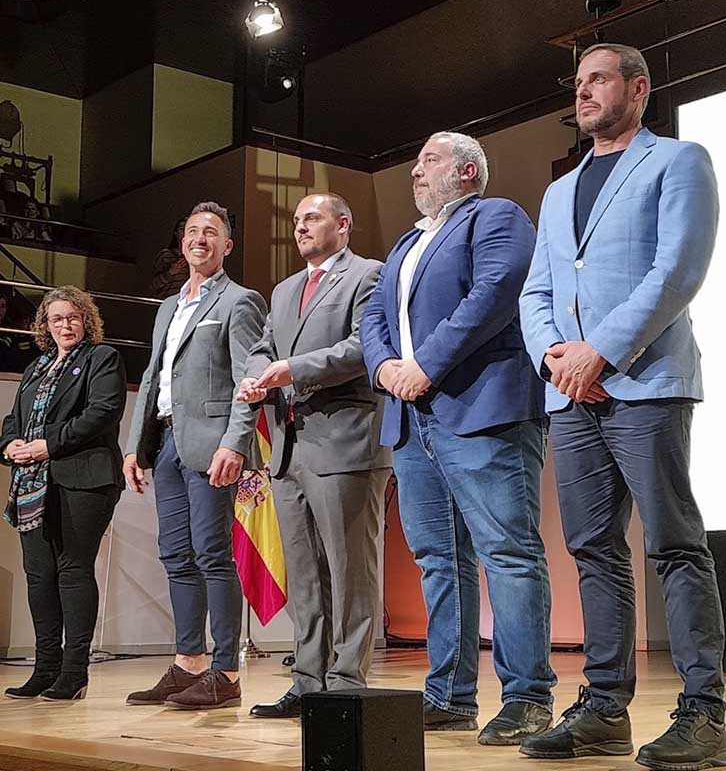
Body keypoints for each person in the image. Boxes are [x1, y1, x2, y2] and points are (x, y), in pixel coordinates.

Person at [518, 43, 726, 770]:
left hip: (645, 382)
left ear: (638, 89)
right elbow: (536, 292)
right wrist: (558, 357)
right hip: (571, 392)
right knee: (592, 549)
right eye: (577, 84)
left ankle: (704, 717)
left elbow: (679, 269)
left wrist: (600, 352)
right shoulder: (556, 192)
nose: (582, 93)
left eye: (597, 79)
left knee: (673, 545)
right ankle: (605, 711)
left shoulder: (678, 161)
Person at [361, 132, 555, 745]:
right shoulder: (405, 243)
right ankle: (449, 694)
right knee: (438, 559)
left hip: (481, 408)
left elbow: (497, 291)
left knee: (508, 551)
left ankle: (527, 697)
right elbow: (373, 315)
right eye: (415, 161)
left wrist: (427, 363)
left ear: (468, 172)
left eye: (430, 160)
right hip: (413, 418)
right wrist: (384, 366)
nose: (415, 170)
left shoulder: (497, 216)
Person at [236, 193, 390, 718]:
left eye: (313, 218)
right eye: (297, 220)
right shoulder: (283, 290)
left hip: (344, 440)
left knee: (350, 571)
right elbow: (263, 345)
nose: (301, 227)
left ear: (343, 224)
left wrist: (292, 369)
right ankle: (307, 681)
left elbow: (363, 346)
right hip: (289, 447)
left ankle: (346, 682)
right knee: (304, 573)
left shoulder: (369, 274)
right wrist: (256, 375)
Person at [122, 201, 267, 710]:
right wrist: (135, 446)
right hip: (164, 444)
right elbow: (155, 381)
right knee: (176, 556)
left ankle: (226, 672)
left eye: (211, 232)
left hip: (210, 447)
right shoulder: (167, 308)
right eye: (191, 231)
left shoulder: (240, 301)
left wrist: (236, 442)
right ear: (181, 243)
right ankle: (189, 665)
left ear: (227, 245)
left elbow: (250, 382)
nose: (199, 238)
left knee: (211, 554)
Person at [1, 287, 126, 701]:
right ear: (45, 326)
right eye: (56, 319)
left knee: (73, 570)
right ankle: (45, 668)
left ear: (85, 320)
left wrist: (47, 444)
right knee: (39, 576)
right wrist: (11, 445)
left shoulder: (100, 358)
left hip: (84, 479)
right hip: (32, 482)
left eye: (72, 317)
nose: (65, 325)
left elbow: (103, 412)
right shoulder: (36, 367)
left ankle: (74, 673)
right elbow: (14, 419)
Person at [150, 219, 190, 299]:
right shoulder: (165, 255)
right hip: (165, 302)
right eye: (182, 229)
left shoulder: (195, 258)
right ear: (176, 233)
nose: (185, 232)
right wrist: (170, 272)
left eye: (188, 229)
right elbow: (153, 286)